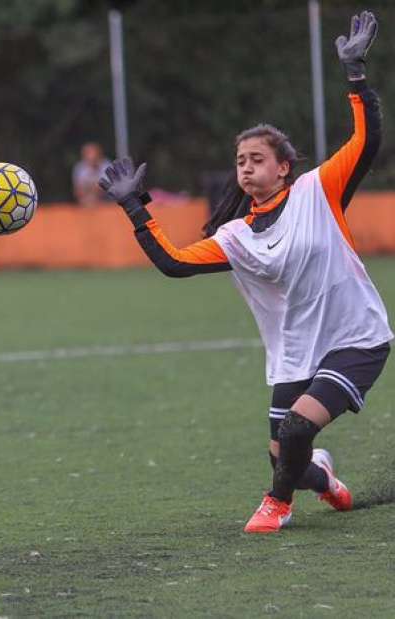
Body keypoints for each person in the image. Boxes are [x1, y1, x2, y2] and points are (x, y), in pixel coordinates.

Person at [99, 11, 390, 534]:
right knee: (289, 458)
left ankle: (274, 506)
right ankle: (322, 480)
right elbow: (173, 263)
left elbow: (366, 141)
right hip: (295, 356)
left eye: (257, 158)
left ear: (283, 167)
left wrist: (355, 77)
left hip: (357, 338)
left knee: (299, 427)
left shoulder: (317, 190)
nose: (246, 167)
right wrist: (135, 209)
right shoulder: (235, 237)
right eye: (240, 161)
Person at [72, 142, 111, 206]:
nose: (91, 158)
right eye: (88, 155)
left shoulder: (107, 166)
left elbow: (106, 188)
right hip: (86, 202)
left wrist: (91, 190)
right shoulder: (79, 168)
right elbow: (77, 190)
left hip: (107, 202)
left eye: (94, 156)